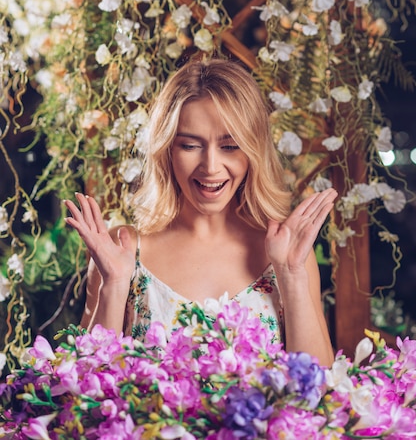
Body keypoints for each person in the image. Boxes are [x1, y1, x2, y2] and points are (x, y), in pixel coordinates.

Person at [64, 58, 336, 366]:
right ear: (166, 150)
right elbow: (84, 390)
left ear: (253, 151)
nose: (210, 167)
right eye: (190, 146)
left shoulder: (286, 254)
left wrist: (291, 275)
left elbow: (320, 389)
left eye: (230, 146)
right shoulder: (122, 250)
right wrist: (112, 285)